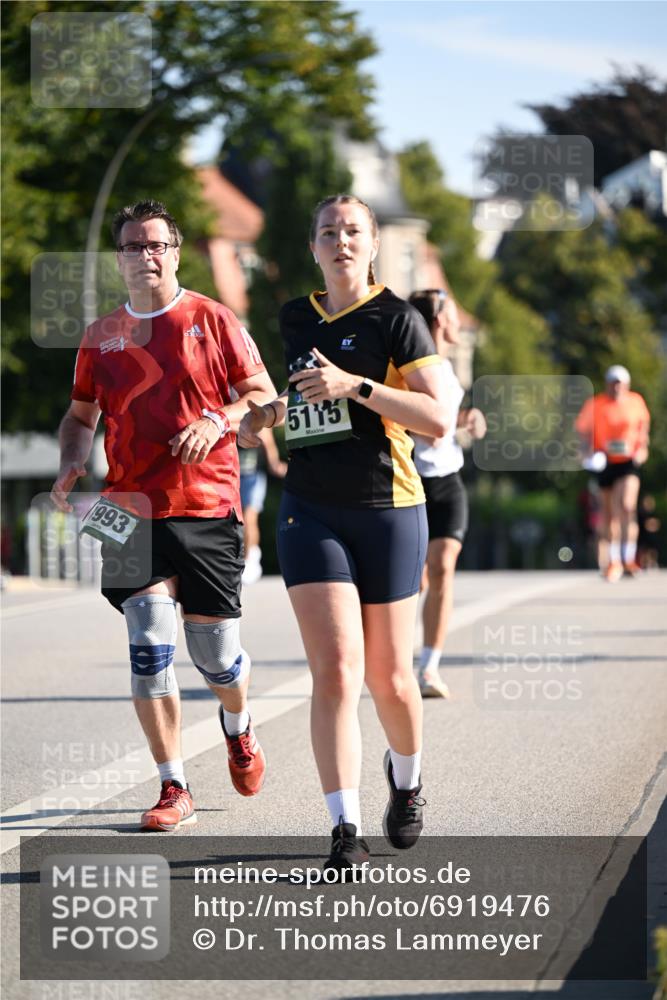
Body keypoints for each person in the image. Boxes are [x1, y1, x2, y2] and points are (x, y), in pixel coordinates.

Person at [50, 200, 277, 831]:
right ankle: (174, 785)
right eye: (131, 246)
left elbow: (265, 402)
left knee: (215, 657)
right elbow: (80, 416)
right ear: (118, 259)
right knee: (149, 644)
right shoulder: (101, 337)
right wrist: (71, 462)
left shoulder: (213, 319)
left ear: (175, 253)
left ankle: (238, 726)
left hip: (207, 506)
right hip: (127, 509)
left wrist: (219, 419)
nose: (144, 256)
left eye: (155, 245)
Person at [239, 193, 449, 873]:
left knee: (390, 679)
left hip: (386, 507)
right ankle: (343, 827)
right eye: (328, 231)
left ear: (373, 242)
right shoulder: (296, 315)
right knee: (333, 672)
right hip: (310, 508)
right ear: (313, 247)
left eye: (353, 230)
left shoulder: (400, 319)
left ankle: (407, 780)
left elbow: (435, 419)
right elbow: (300, 397)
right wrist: (265, 414)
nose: (341, 241)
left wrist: (354, 385)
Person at [408, 289, 486, 699]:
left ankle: (429, 668)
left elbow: (441, 426)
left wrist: (465, 417)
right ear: (439, 319)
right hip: (410, 482)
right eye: (454, 314)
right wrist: (450, 425)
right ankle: (394, 658)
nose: (459, 323)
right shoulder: (407, 367)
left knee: (442, 568)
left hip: (448, 481)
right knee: (412, 580)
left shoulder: (448, 368)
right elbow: (424, 429)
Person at [575, 365, 650, 582]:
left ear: (626, 384)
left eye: (620, 382)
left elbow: (643, 429)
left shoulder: (636, 402)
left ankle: (629, 558)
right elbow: (582, 431)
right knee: (609, 514)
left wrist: (642, 449)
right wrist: (586, 451)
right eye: (613, 382)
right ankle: (614, 560)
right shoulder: (596, 404)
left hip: (628, 461)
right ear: (608, 384)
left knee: (626, 505)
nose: (616, 386)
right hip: (605, 461)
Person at [239, 428, 287, 585]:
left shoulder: (249, 411)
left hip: (252, 473)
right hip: (228, 473)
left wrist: (273, 463)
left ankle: (250, 558)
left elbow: (266, 435)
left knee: (248, 517)